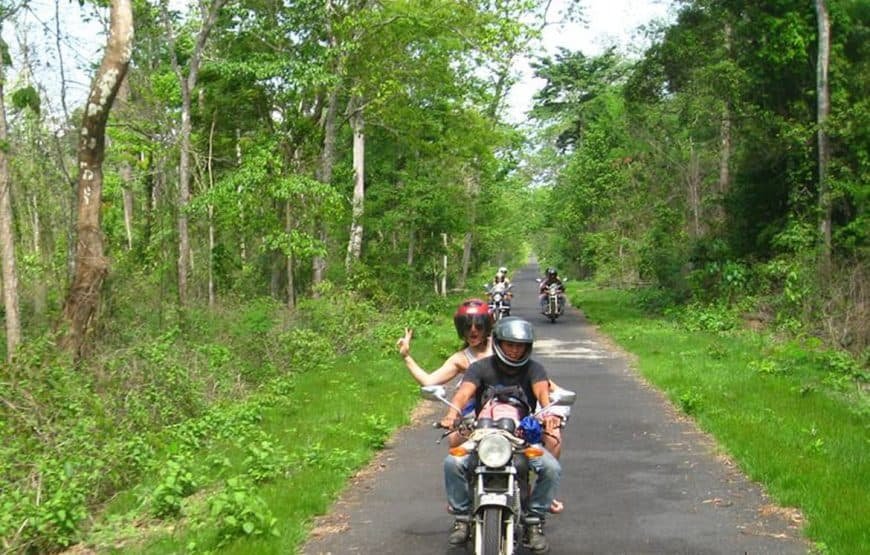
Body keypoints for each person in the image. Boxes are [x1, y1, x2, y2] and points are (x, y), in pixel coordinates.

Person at [439, 317, 561, 552]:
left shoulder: (534, 369)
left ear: (528, 347)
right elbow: (463, 393)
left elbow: (543, 395)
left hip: (520, 437)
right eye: (510, 344)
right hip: (482, 434)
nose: (515, 350)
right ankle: (462, 517)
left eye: (520, 346)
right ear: (498, 343)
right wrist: (452, 414)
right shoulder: (480, 367)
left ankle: (534, 521)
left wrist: (548, 415)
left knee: (551, 468)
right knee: (452, 463)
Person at [397, 299, 493, 445]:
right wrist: (406, 356)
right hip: (475, 410)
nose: (473, 330)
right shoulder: (461, 358)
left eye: (479, 326)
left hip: (506, 404)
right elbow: (429, 381)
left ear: (487, 327)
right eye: (467, 326)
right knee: (454, 441)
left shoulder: (502, 346)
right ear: (461, 329)